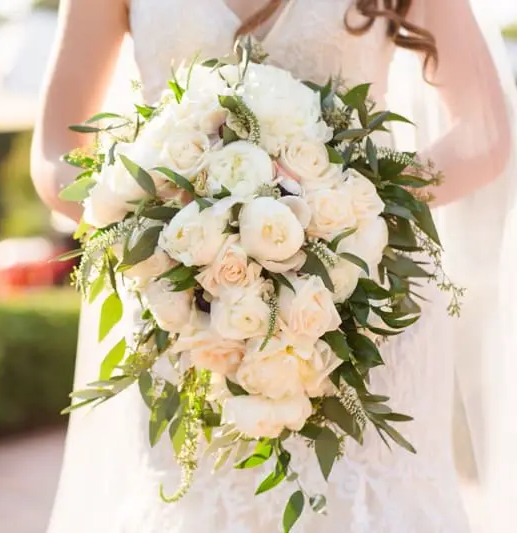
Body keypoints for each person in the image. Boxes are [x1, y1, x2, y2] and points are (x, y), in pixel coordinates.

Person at [30, 1, 515, 531]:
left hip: (364, 299)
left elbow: (485, 132)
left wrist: (346, 205)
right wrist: (161, 220)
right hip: (185, 308)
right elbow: (56, 152)